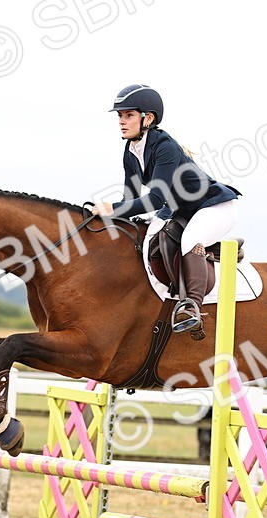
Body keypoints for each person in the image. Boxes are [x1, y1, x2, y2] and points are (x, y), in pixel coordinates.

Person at [92, 84, 240, 335]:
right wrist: (113, 216)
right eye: (120, 116)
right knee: (148, 236)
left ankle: (191, 306)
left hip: (215, 206)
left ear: (147, 118)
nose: (121, 121)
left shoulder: (164, 145)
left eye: (128, 115)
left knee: (190, 239)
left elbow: (155, 199)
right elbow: (131, 199)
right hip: (181, 211)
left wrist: (112, 208)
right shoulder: (130, 151)